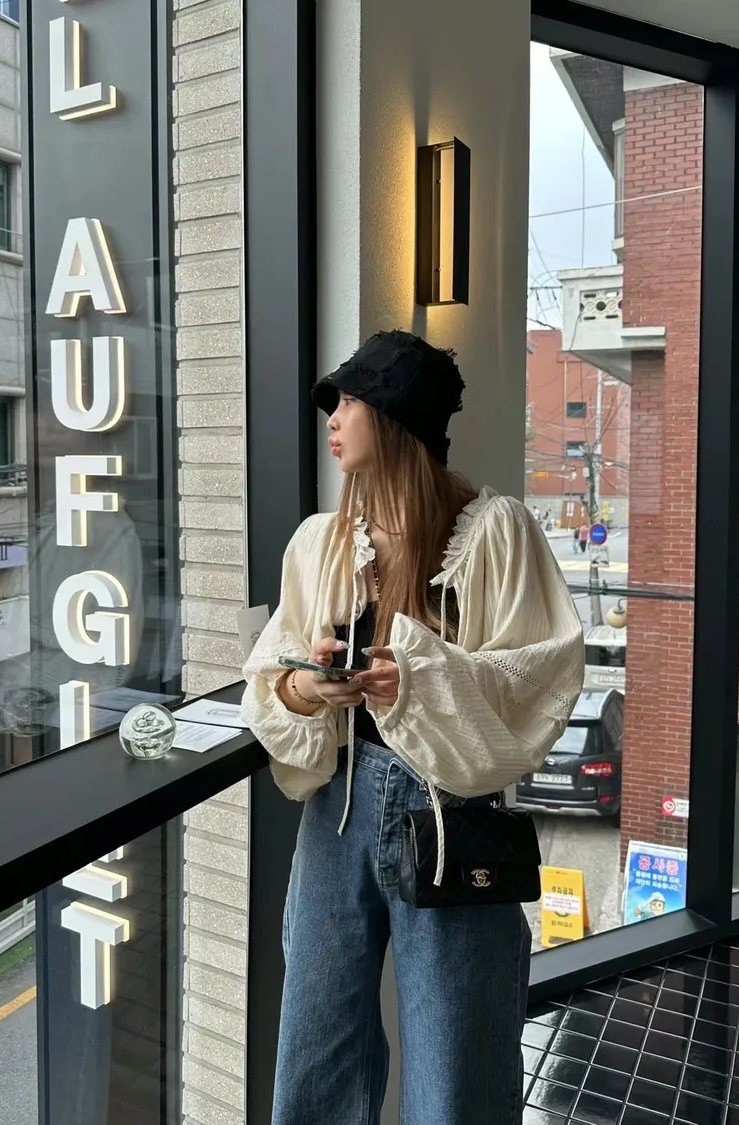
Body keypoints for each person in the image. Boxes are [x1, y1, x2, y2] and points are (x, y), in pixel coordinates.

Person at [242, 330, 584, 1125]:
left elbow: (540, 677)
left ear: (396, 416)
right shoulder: (323, 542)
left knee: (455, 1076)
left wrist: (426, 679)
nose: (332, 416)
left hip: (450, 815)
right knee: (314, 1062)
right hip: (336, 812)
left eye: (349, 400)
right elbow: (271, 672)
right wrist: (306, 684)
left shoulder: (494, 533)